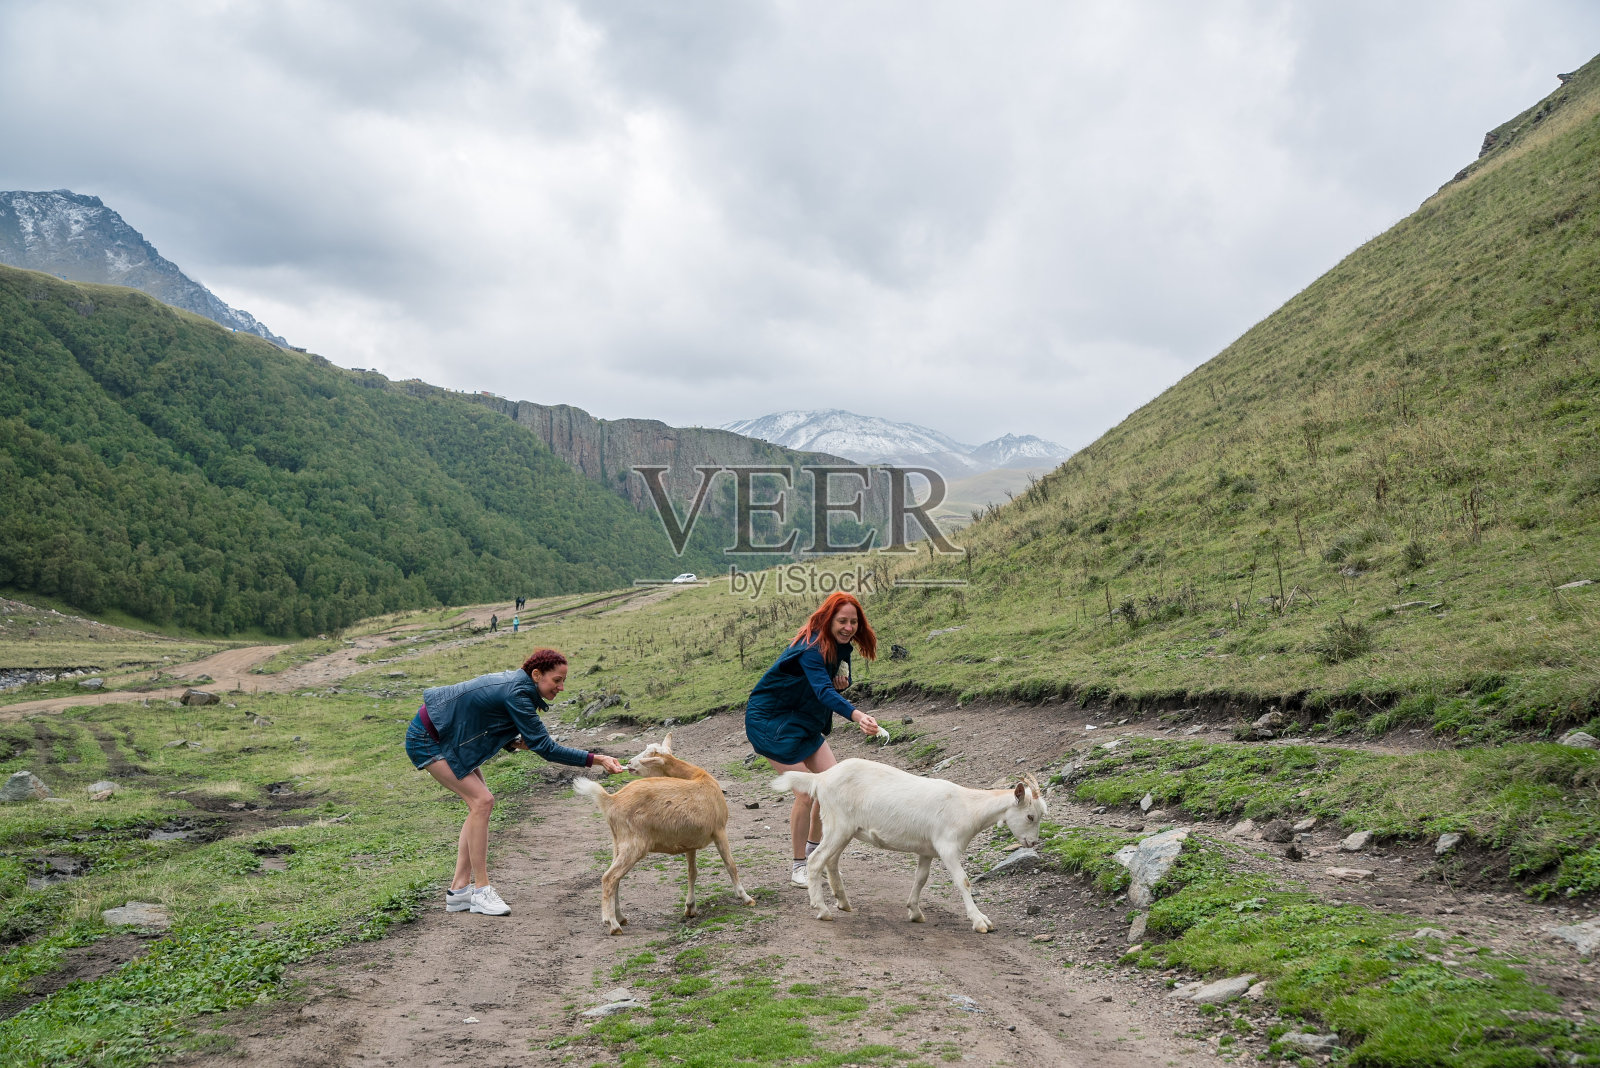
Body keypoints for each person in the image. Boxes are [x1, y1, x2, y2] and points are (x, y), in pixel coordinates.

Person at [404, 647, 624, 915]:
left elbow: (486, 713)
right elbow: (547, 748)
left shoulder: (520, 689)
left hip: (445, 734)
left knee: (479, 804)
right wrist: (596, 759)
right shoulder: (518, 692)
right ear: (536, 674)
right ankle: (482, 890)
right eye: (557, 680)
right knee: (482, 801)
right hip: (429, 738)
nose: (562, 687)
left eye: (564, 681)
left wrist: (514, 741)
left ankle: (459, 890)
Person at [744, 592, 879, 887]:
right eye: (842, 621)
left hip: (804, 718)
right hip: (771, 721)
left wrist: (844, 683)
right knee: (807, 794)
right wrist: (857, 715)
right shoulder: (811, 647)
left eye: (853, 622)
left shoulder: (842, 647)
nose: (848, 627)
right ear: (829, 620)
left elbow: (834, 682)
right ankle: (798, 867)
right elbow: (823, 691)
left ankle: (814, 855)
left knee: (830, 787)